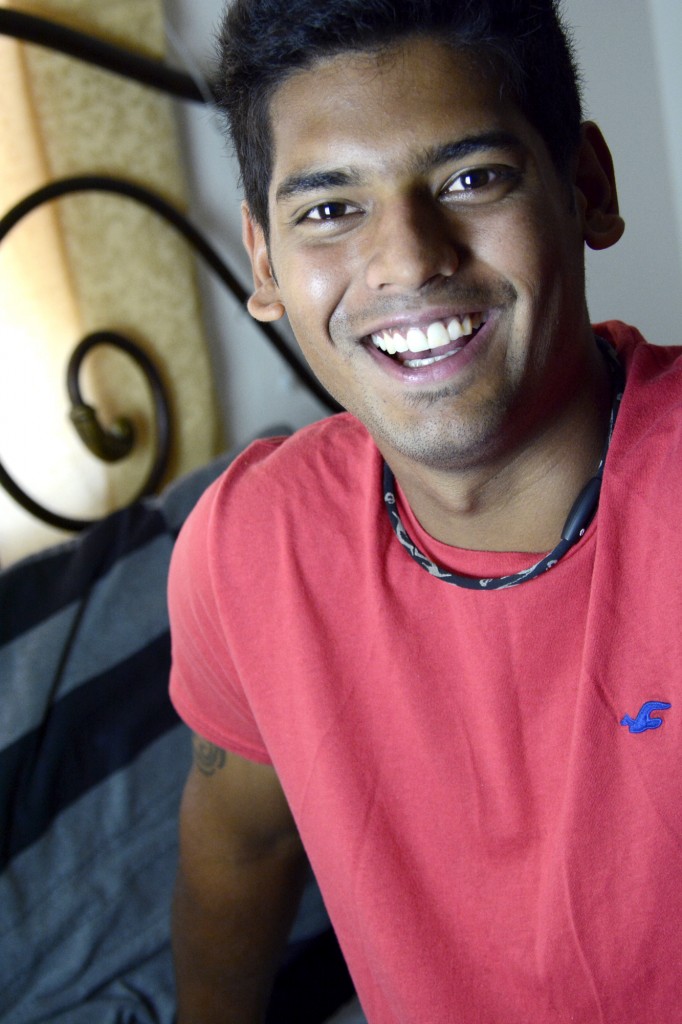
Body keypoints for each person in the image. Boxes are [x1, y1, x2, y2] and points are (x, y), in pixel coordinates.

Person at [168, 1, 682, 1021]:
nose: (407, 261)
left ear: (585, 186)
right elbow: (245, 845)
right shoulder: (246, 544)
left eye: (469, 179)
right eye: (327, 209)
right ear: (264, 262)